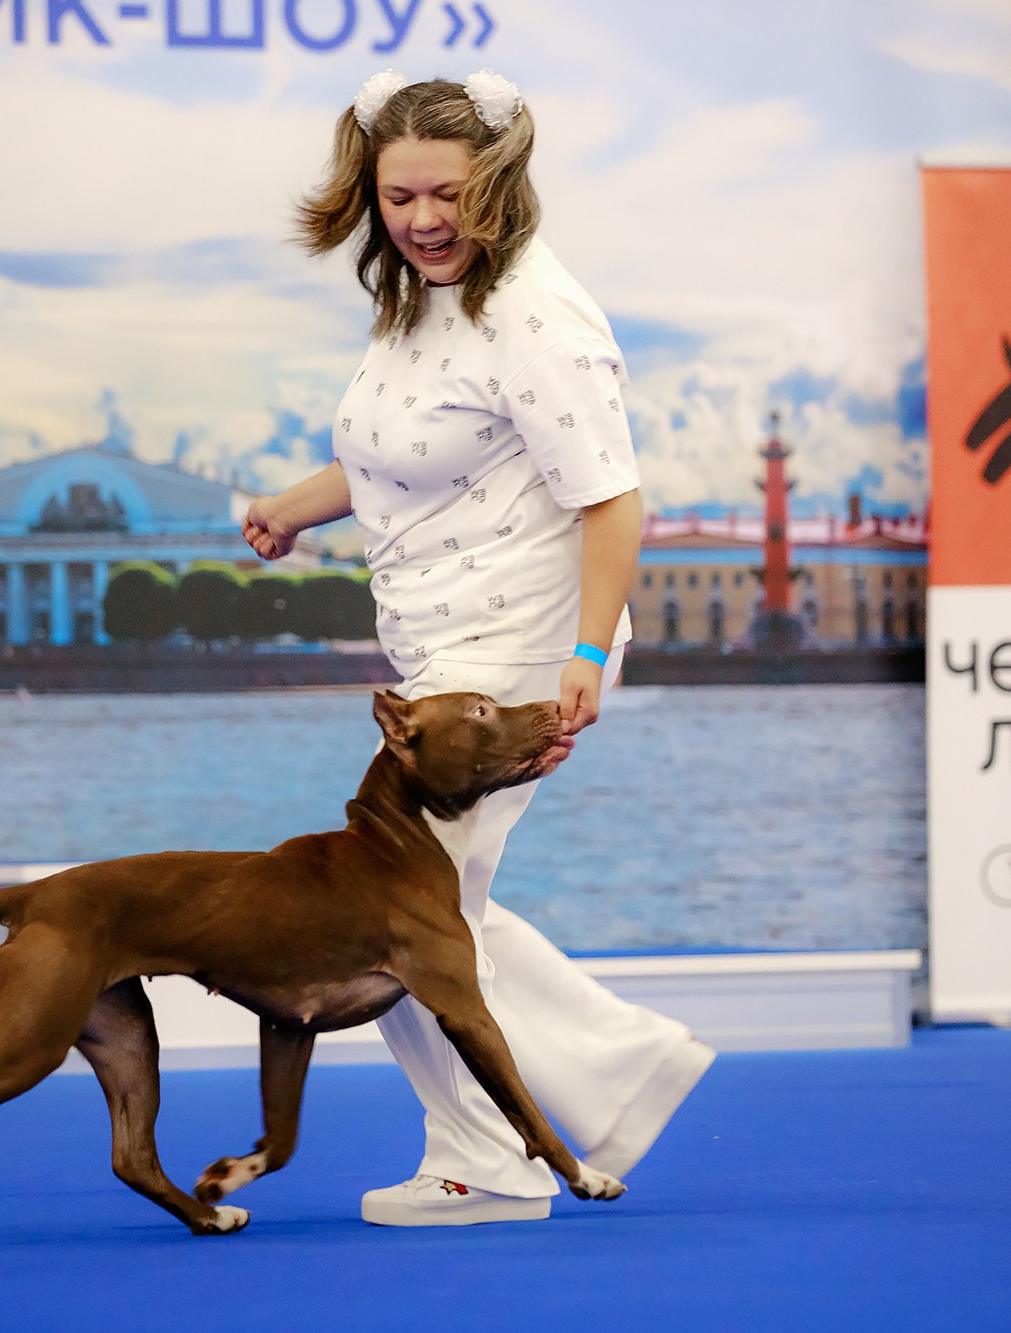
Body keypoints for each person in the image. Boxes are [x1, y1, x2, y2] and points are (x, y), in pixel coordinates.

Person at [242, 69, 714, 1227]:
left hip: (516, 653)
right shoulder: (419, 295)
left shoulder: (537, 316)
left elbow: (612, 500)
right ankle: (619, 1072)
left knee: (393, 915)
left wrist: (585, 659)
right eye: (397, 196)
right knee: (423, 903)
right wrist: (297, 508)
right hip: (434, 648)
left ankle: (486, 1161)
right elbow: (400, 452)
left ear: (495, 184)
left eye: (445, 195)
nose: (421, 219)